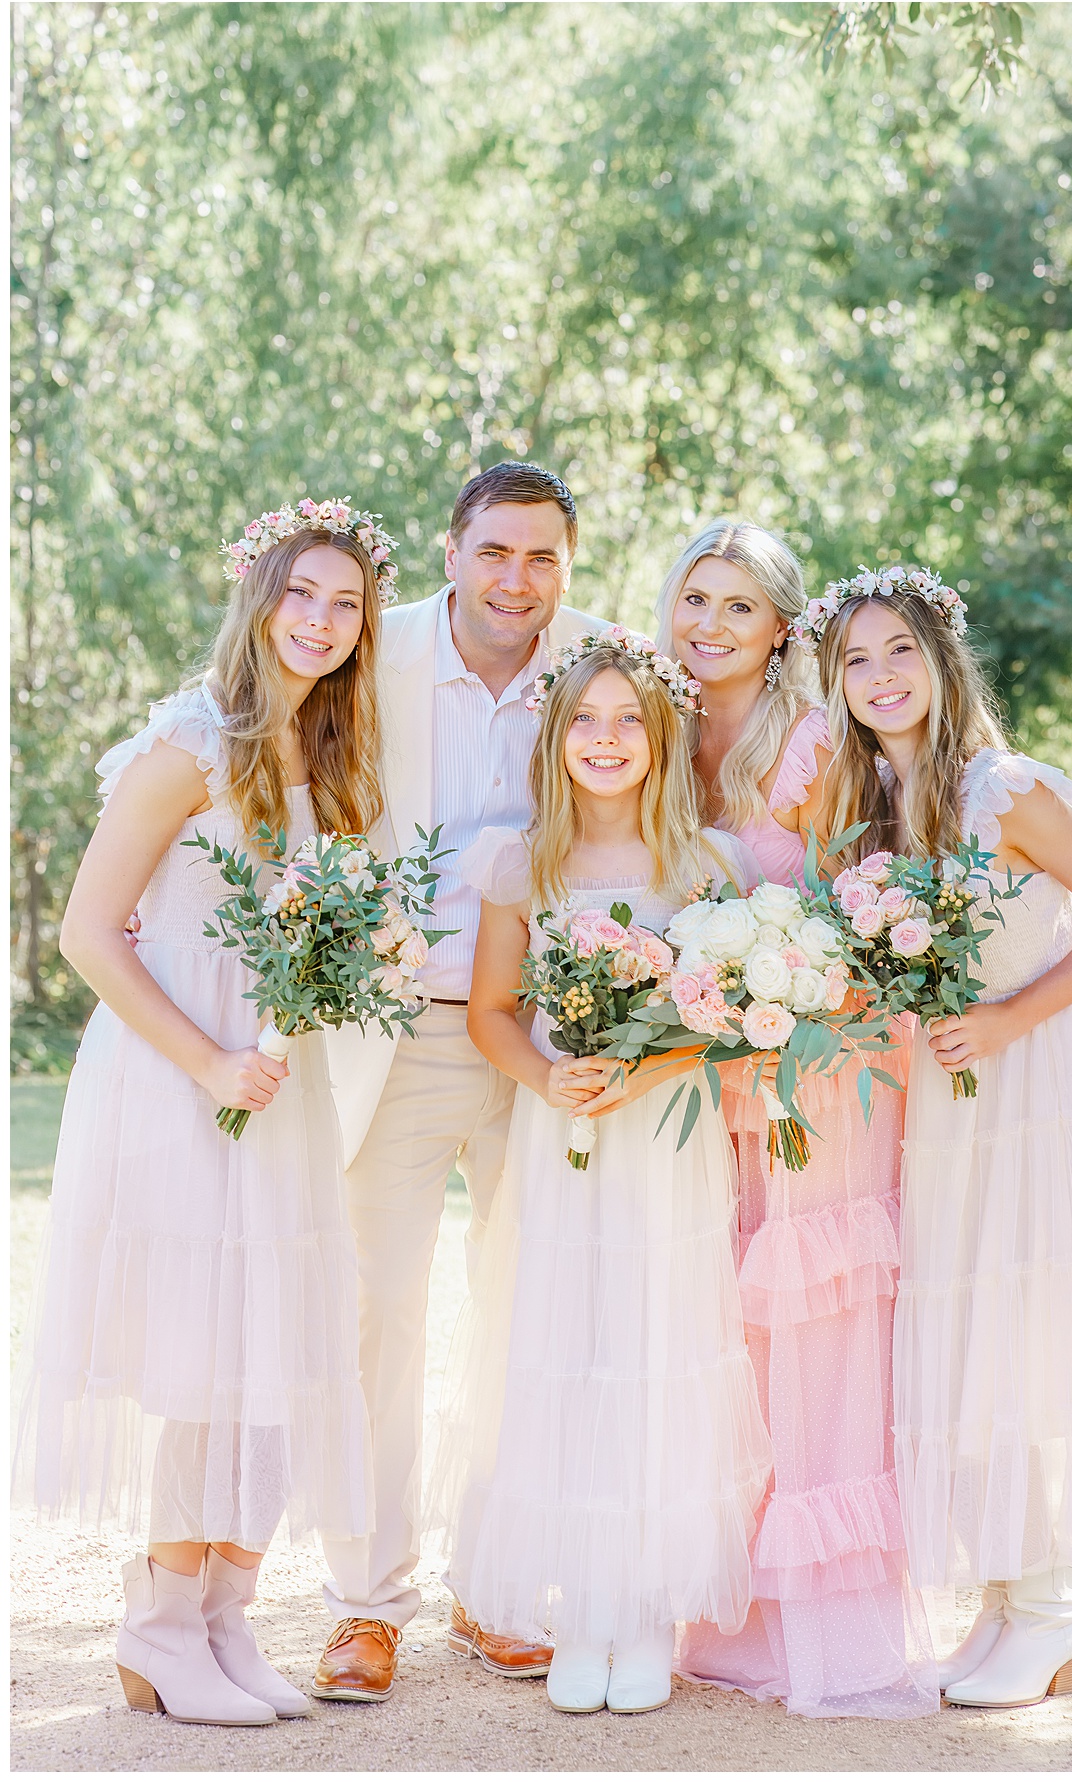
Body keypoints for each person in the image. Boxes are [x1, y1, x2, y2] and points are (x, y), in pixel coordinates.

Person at [13, 500, 391, 1727]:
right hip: (182, 1079)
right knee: (203, 1350)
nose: (322, 621)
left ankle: (228, 1619)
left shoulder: (322, 759)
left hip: (275, 1081)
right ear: (260, 594)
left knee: (272, 1344)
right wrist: (211, 1063)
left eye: (348, 604)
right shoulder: (191, 739)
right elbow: (87, 932)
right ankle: (161, 1625)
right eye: (304, 593)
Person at [805, 563, 1072, 1709]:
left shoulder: (1000, 789)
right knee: (967, 1340)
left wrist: (1010, 1016)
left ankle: (1057, 1607)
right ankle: (1010, 1601)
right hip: (956, 1100)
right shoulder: (874, 797)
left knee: (1016, 1343)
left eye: (899, 651)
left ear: (941, 659)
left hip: (1047, 1086)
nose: (880, 676)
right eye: (856, 659)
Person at [431, 634, 773, 1715]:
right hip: (563, 1142)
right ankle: (581, 1605)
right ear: (555, 736)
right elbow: (490, 1012)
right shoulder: (519, 862)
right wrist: (548, 1073)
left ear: (662, 733)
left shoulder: (706, 865)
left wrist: (645, 1064)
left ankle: (644, 1610)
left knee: (658, 1347)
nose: (607, 739)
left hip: (666, 1143)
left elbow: (732, 1027)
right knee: (568, 1346)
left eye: (629, 719)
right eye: (585, 719)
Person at [315, 462, 607, 1702]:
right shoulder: (369, 658)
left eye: (542, 556)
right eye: (496, 551)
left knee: (529, 1313)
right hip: (401, 1026)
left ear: (567, 565)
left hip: (555, 1031)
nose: (517, 581)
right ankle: (364, 1602)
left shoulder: (603, 668)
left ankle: (497, 1587)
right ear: (452, 551)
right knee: (377, 1311)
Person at [657, 521, 939, 1718]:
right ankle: (731, 1605)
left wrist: (778, 996)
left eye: (739, 607)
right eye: (695, 599)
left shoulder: (815, 740)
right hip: (707, 1064)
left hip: (821, 1059)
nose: (710, 626)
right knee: (732, 1326)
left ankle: (818, 1620)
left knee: (816, 1329)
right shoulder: (653, 727)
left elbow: (849, 906)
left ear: (782, 629)